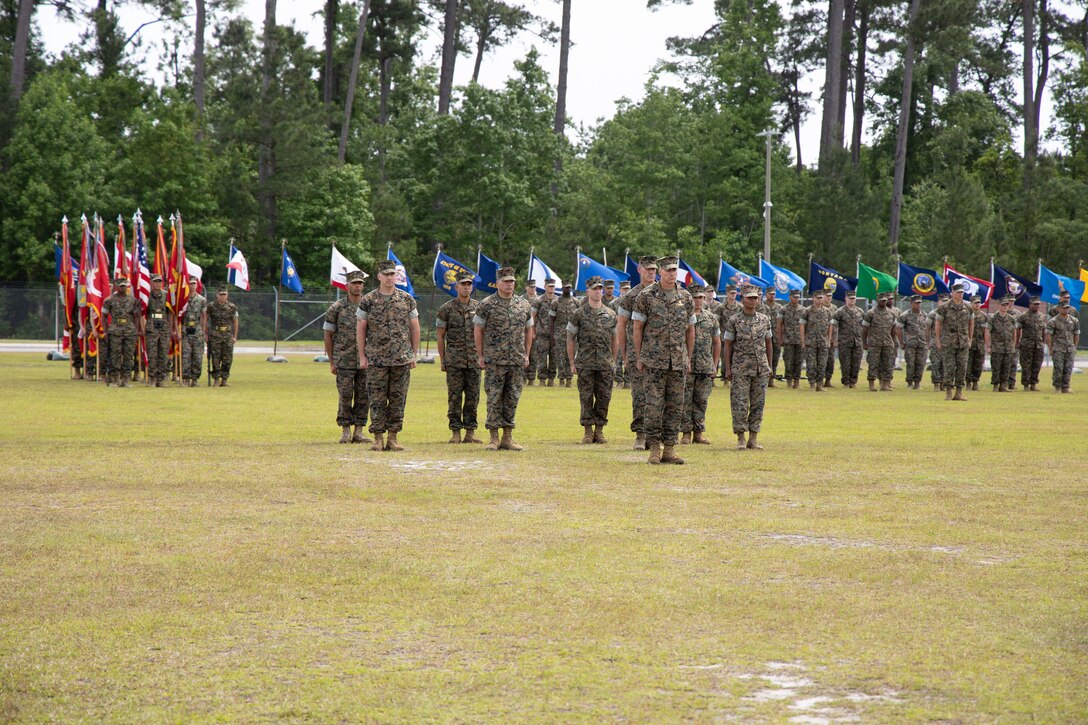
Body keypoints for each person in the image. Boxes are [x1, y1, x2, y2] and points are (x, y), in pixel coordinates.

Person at [633, 256, 694, 465]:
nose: (671, 274)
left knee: (675, 406)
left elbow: (690, 329)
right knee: (653, 406)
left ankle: (669, 449)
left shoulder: (685, 297)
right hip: (653, 361)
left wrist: (688, 357)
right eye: (668, 270)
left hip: (677, 361)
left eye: (674, 270)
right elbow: (637, 327)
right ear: (660, 271)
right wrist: (640, 356)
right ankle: (654, 449)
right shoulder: (646, 296)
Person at [356, 260, 419, 451]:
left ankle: (393, 437)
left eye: (392, 274)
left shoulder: (407, 299)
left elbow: (414, 327)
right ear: (379, 277)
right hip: (377, 359)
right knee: (376, 399)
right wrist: (362, 356)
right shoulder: (368, 300)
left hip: (401, 358)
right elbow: (361, 329)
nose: (390, 277)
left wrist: (413, 354)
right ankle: (377, 438)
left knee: (398, 399)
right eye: (386, 274)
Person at [474, 266, 534, 450]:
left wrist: (526, 354)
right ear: (498, 283)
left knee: (512, 397)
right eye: (506, 281)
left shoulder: (524, 305)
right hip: (494, 360)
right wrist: (480, 354)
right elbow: (478, 330)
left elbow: (528, 330)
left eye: (512, 281)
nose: (510, 284)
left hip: (516, 359)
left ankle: (507, 436)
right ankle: (493, 438)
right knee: (494, 397)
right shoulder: (486, 304)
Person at [615, 256, 659, 450]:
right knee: (640, 395)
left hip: (660, 353)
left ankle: (656, 435)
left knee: (659, 396)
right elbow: (621, 326)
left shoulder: (662, 293)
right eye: (648, 269)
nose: (651, 273)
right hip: (638, 354)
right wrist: (625, 355)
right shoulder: (630, 297)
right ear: (639, 270)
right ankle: (640, 435)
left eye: (654, 269)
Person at [566, 276, 616, 444]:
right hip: (585, 363)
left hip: (605, 363)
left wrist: (613, 360)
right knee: (586, 397)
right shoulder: (578, 314)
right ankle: (588, 431)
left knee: (604, 397)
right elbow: (570, 338)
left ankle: (599, 431)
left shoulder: (610, 314)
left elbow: (614, 339)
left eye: (600, 288)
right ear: (587, 291)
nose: (598, 291)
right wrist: (572, 363)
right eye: (594, 288)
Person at [323, 270, 371, 444]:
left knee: (364, 394)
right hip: (344, 359)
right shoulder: (337, 308)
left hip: (366, 360)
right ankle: (345, 430)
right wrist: (332, 361)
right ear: (347, 286)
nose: (357, 286)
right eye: (354, 283)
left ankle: (359, 430)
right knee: (345, 394)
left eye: (360, 283)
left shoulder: (370, 305)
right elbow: (328, 335)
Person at [723, 285, 773, 450]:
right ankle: (741, 438)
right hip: (740, 368)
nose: (753, 300)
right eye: (749, 297)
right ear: (742, 299)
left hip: (760, 368)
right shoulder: (734, 320)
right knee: (739, 403)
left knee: (758, 404)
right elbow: (728, 345)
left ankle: (753, 438)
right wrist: (728, 368)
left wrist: (769, 365)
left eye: (755, 298)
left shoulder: (764, 319)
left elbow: (768, 343)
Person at [436, 271, 482, 444]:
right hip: (454, 360)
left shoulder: (479, 308)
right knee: (454, 396)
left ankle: (470, 432)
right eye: (463, 284)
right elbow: (440, 336)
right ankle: (455, 431)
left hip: (474, 361)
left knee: (473, 397)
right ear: (456, 287)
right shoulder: (446, 309)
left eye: (469, 284)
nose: (466, 287)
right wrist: (442, 359)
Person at [680, 284, 719, 445]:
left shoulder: (711, 318)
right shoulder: (683, 316)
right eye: (695, 297)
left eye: (700, 297)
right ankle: (686, 433)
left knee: (701, 400)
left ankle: (699, 432)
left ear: (704, 299)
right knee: (685, 400)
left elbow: (717, 343)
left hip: (704, 365)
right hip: (687, 365)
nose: (698, 300)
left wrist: (715, 365)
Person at [934, 281, 975, 401]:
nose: (961, 294)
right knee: (949, 367)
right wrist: (938, 340)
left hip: (963, 342)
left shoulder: (968, 307)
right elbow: (938, 324)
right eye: (958, 292)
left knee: (962, 367)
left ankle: (959, 392)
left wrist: (970, 338)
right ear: (952, 293)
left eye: (962, 292)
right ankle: (948, 392)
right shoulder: (944, 307)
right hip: (948, 342)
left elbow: (971, 323)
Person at [101, 278, 139, 387]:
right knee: (115, 355)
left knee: (128, 356)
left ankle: (125, 380)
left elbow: (136, 316)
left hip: (129, 331)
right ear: (116, 286)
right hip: (115, 331)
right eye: (120, 286)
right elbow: (104, 316)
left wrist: (136, 330)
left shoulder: (133, 300)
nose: (123, 287)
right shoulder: (109, 300)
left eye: (124, 285)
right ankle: (115, 379)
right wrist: (105, 331)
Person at [862, 292, 897, 391]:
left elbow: (893, 329)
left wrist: (893, 341)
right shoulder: (871, 313)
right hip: (874, 343)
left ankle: (885, 384)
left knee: (888, 364)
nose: (884, 302)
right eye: (882, 301)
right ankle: (872, 384)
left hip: (887, 343)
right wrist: (864, 342)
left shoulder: (891, 313)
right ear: (877, 300)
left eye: (885, 301)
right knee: (873, 364)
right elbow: (865, 329)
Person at [800, 288, 832, 391]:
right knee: (811, 364)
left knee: (822, 364)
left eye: (821, 298)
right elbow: (802, 325)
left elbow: (830, 326)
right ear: (813, 298)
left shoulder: (827, 311)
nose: (820, 300)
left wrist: (829, 339)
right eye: (818, 298)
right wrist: (803, 340)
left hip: (823, 342)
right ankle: (812, 384)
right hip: (811, 342)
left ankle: (820, 384)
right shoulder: (807, 311)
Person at [144, 273, 173, 387]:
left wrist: (170, 327)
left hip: (164, 328)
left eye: (159, 281)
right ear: (151, 283)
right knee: (152, 354)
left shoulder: (166, 295)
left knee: (163, 354)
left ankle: (160, 379)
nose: (158, 284)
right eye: (155, 281)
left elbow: (170, 312)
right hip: (152, 328)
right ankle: (152, 378)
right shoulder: (147, 295)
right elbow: (143, 312)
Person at [831, 290, 864, 388]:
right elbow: (834, 326)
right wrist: (835, 339)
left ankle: (853, 382)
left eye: (854, 298)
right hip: (844, 341)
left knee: (856, 363)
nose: (852, 300)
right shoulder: (840, 312)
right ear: (846, 299)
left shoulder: (860, 311)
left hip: (857, 342)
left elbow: (864, 326)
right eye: (850, 298)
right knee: (845, 363)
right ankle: (846, 382)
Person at [207, 286, 238, 387]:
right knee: (215, 357)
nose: (223, 296)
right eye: (221, 294)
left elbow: (235, 322)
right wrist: (206, 334)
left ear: (227, 295)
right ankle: (216, 379)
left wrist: (234, 336)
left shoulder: (232, 307)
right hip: (215, 334)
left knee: (228, 358)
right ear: (217, 295)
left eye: (224, 294)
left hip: (227, 335)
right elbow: (205, 320)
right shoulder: (211, 306)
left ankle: (224, 379)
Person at [895, 295, 928, 389]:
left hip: (922, 343)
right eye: (916, 303)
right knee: (910, 363)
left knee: (921, 363)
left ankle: (917, 383)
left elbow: (927, 329)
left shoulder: (924, 315)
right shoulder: (905, 315)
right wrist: (901, 342)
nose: (918, 305)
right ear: (911, 303)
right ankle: (910, 382)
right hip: (910, 344)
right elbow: (898, 329)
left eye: (919, 303)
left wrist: (927, 341)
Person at [1046, 303, 1079, 393]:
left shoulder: (1074, 320)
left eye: (1067, 308)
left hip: (1070, 348)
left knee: (1068, 368)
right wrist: (1050, 348)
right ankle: (1057, 387)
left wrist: (1074, 346)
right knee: (1058, 368)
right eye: (1064, 308)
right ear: (1059, 309)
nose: (1066, 309)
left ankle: (1066, 386)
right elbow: (1048, 335)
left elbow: (1076, 334)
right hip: (1058, 348)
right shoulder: (1053, 321)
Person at [181, 275, 208, 387]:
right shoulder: (182, 299)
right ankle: (186, 379)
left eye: (194, 283)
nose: (192, 286)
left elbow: (204, 316)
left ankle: (195, 379)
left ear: (197, 285)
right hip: (185, 330)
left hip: (197, 330)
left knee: (197, 356)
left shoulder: (202, 300)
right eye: (190, 283)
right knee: (186, 356)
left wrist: (203, 331)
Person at [530, 278, 558, 386]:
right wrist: (532, 332)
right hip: (542, 334)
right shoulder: (539, 300)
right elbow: (533, 317)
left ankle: (551, 379)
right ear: (545, 287)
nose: (551, 288)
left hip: (555, 334)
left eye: (553, 286)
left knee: (554, 357)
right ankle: (542, 379)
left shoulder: (558, 300)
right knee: (542, 357)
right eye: (549, 286)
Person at [985, 296, 1016, 392]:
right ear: (999, 306)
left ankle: (1003, 386)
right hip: (997, 348)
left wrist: (1013, 344)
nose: (1005, 307)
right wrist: (988, 346)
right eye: (1003, 305)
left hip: (1008, 348)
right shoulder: (993, 318)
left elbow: (1014, 332)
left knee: (1006, 367)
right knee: (996, 367)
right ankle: (995, 385)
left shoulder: (1011, 319)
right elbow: (987, 332)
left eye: (1006, 305)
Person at [1015, 296, 1046, 391]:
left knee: (1037, 365)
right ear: (1030, 305)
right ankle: (1026, 385)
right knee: (1026, 365)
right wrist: (1017, 342)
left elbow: (1043, 330)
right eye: (1035, 304)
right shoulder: (1023, 316)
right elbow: (1017, 329)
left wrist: (1043, 342)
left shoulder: (1041, 316)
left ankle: (1033, 384)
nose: (1037, 306)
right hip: (1026, 344)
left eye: (1038, 304)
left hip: (1038, 345)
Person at [553, 283, 579, 388]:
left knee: (570, 357)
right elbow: (552, 320)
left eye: (569, 288)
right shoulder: (556, 302)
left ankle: (569, 379)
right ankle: (561, 379)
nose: (567, 290)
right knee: (560, 357)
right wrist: (552, 336)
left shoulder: (576, 302)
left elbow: (579, 319)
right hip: (559, 334)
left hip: (573, 335)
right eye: (565, 288)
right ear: (562, 288)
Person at [777, 289, 804, 388]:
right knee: (788, 361)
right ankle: (789, 381)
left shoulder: (802, 310)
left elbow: (805, 325)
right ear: (789, 297)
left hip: (799, 340)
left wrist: (804, 339)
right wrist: (780, 338)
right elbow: (779, 324)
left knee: (799, 361)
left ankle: (796, 382)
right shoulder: (783, 309)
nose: (796, 299)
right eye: (794, 297)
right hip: (788, 340)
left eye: (797, 297)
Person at [760, 287, 784, 386]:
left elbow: (782, 323)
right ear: (766, 294)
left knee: (775, 358)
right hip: (764, 336)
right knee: (763, 357)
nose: (772, 296)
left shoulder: (779, 307)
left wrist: (781, 336)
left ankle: (771, 380)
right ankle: (763, 380)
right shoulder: (762, 306)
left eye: (774, 294)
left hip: (776, 336)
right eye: (770, 294)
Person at [966, 297, 988, 391]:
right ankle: (968, 383)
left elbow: (985, 331)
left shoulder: (984, 316)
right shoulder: (967, 314)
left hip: (979, 344)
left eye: (979, 303)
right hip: (969, 343)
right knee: (968, 364)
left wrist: (986, 344)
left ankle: (975, 382)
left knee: (978, 365)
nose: (977, 305)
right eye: (975, 303)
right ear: (971, 303)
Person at [612, 279, 630, 388]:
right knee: (618, 357)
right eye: (624, 289)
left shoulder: (635, 302)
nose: (626, 291)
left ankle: (628, 381)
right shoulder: (614, 304)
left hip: (631, 334)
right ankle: (618, 380)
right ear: (620, 290)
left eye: (628, 289)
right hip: (618, 333)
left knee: (629, 357)